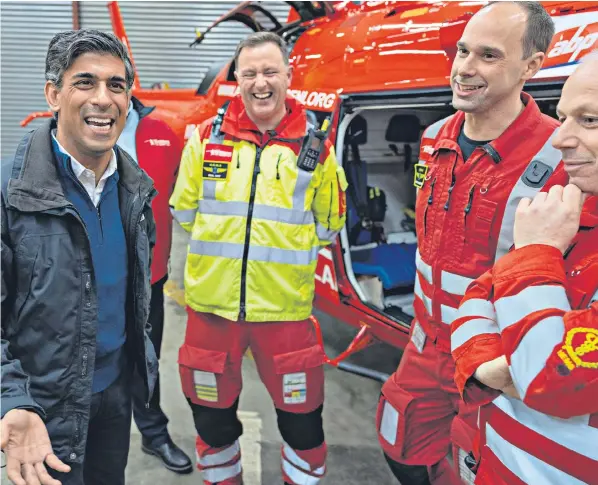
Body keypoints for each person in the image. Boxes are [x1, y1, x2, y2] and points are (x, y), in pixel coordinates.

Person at [376, 3, 563, 484]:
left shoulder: (560, 157)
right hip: (425, 343)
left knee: (478, 468)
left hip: (493, 360)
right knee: (402, 445)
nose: (464, 68)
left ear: (532, 67)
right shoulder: (434, 137)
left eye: (488, 55)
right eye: (462, 51)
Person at [169, 32, 347, 485]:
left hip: (285, 315)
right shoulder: (205, 141)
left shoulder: (316, 150)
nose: (260, 83)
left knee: (304, 428)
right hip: (211, 311)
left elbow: (329, 224)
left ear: (289, 76)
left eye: (270, 72)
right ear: (237, 80)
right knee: (213, 425)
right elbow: (184, 211)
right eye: (249, 73)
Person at [0, 30, 158, 485]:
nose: (103, 99)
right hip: (39, 409)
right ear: (53, 94)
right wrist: (13, 401)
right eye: (84, 83)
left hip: (113, 395)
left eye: (116, 85)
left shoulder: (134, 189)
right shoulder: (10, 193)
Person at [450, 51, 598, 484]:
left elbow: (546, 382)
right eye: (562, 116)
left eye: (589, 121)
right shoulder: (574, 209)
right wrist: (493, 369)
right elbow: (479, 295)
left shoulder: (549, 230)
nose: (559, 140)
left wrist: (536, 252)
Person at [116, 97, 192, 473]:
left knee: (145, 362)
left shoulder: (165, 132)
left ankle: (152, 433)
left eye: (117, 78)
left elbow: (187, 191)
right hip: (85, 277)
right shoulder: (68, 129)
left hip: (149, 277)